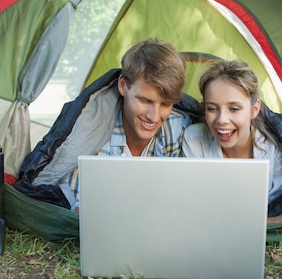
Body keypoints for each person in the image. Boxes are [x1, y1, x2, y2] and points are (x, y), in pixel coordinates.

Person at [14, 38, 192, 212]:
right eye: (145, 100)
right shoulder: (94, 134)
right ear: (123, 86)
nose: (154, 117)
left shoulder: (177, 127)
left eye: (165, 104)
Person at [182, 59, 282, 223]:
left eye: (234, 109)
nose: (221, 120)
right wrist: (275, 221)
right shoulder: (194, 140)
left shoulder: (275, 149)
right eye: (212, 108)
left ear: (254, 109)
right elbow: (196, 209)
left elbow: (273, 203)